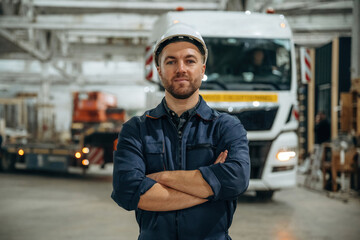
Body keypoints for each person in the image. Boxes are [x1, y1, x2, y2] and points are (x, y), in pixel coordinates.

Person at [111, 23, 250, 240]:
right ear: (159, 71)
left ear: (202, 69)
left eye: (190, 60)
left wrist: (161, 178)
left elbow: (236, 179)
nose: (181, 69)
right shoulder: (136, 129)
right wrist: (211, 189)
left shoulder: (226, 127)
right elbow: (127, 190)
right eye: (171, 61)